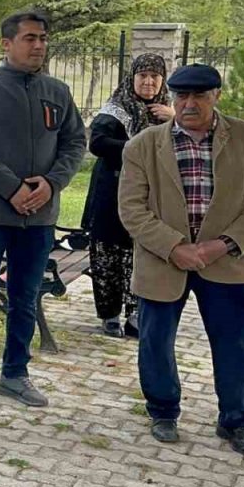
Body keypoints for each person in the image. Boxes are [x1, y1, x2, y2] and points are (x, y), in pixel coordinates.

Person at [118, 63, 244, 458]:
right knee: (155, 342)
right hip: (162, 260)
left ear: (216, 96)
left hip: (227, 261)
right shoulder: (143, 145)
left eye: (199, 96)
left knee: (239, 345)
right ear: (171, 97)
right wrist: (175, 247)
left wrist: (223, 244)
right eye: (181, 96)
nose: (189, 104)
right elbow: (132, 209)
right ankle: (163, 411)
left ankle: (236, 422)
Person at [0, 11, 86, 409]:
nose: (39, 45)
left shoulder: (57, 92)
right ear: (6, 44)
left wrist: (50, 183)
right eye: (29, 38)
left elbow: (75, 143)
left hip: (39, 217)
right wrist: (12, 188)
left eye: (43, 38)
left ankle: (15, 374)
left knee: (25, 298)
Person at [81, 54, 173, 338]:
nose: (148, 82)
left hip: (152, 194)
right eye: (142, 76)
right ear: (132, 78)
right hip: (113, 190)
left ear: (161, 81)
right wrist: (138, 146)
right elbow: (97, 143)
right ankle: (109, 314)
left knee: (141, 253)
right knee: (108, 252)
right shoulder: (116, 109)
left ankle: (136, 314)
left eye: (154, 77)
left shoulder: (169, 111)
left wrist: (174, 117)